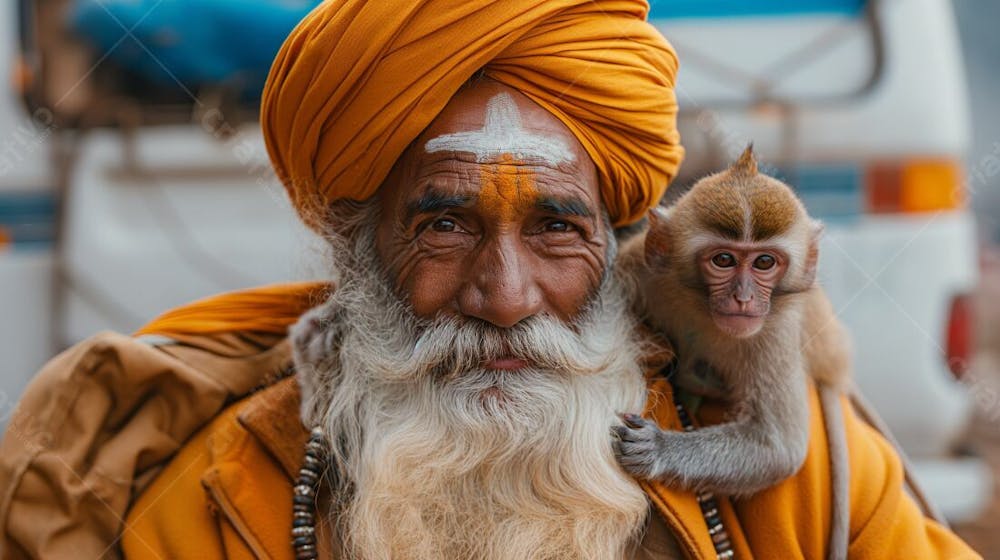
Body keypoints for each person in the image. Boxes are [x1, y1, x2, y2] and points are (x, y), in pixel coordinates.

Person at [0, 0, 980, 558]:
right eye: (443, 224)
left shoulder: (802, 481)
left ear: (626, 240)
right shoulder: (216, 504)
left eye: (557, 227)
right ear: (356, 248)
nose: (505, 295)